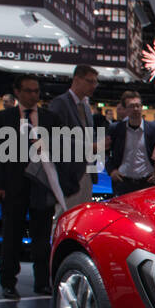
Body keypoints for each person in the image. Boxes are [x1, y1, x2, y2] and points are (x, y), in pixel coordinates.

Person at [0, 74, 63, 299]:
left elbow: (59, 152)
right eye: (29, 91)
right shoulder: (4, 118)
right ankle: (8, 282)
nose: (34, 95)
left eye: (36, 91)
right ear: (18, 92)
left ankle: (42, 282)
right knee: (12, 236)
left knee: (42, 238)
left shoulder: (51, 118)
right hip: (13, 187)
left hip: (42, 186)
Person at [46, 64, 100, 208]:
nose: (94, 86)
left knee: (82, 218)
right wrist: (88, 147)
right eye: (90, 81)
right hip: (68, 175)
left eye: (95, 82)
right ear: (76, 80)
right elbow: (52, 139)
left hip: (86, 173)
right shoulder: (60, 104)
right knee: (64, 217)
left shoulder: (86, 107)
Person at [108, 91, 155, 195]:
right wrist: (111, 170)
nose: (136, 109)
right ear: (125, 109)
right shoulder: (115, 129)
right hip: (123, 183)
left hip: (147, 183)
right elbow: (104, 152)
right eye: (131, 106)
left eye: (138, 105)